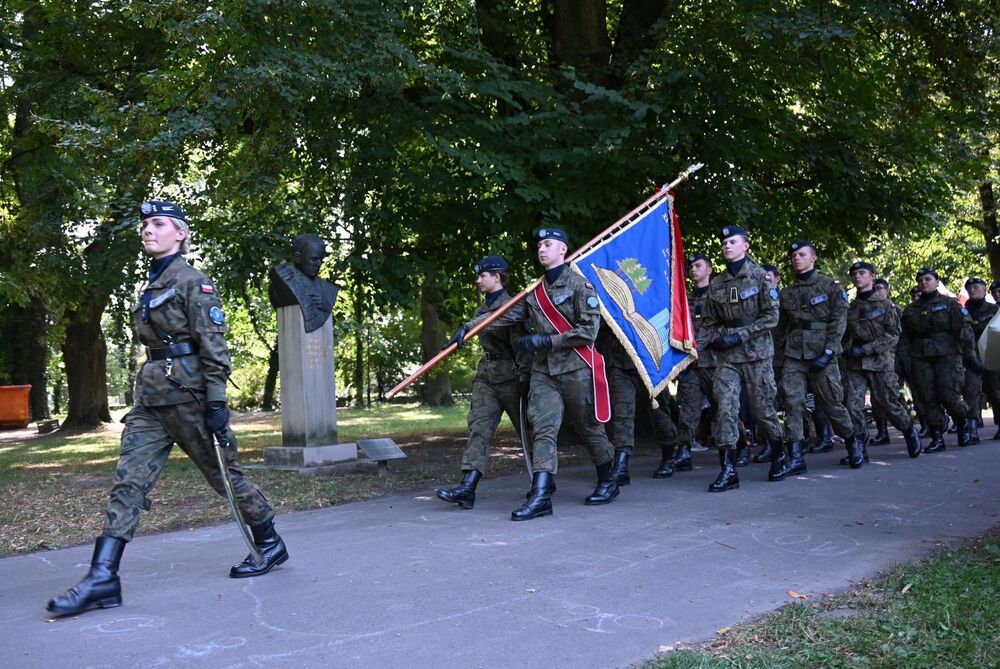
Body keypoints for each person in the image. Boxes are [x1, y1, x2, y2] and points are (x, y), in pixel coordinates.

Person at [47, 201, 287, 618]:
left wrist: (216, 402)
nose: (148, 230)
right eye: (145, 225)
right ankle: (103, 578)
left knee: (225, 477)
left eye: (158, 224)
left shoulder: (194, 282)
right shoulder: (151, 284)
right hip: (151, 400)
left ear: (179, 233)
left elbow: (213, 345)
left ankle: (268, 541)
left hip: (191, 396)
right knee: (128, 482)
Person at [450, 228, 619, 519]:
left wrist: (547, 340)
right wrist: (469, 326)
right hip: (544, 372)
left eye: (548, 244)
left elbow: (588, 331)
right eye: (539, 244)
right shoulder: (534, 293)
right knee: (543, 427)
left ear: (563, 250)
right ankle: (542, 494)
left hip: (575, 368)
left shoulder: (581, 286)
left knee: (589, 428)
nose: (542, 249)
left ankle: (609, 477)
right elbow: (504, 316)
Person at [436, 256, 531, 509]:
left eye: (482, 276)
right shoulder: (482, 309)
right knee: (479, 428)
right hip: (487, 375)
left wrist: (524, 378)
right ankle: (468, 487)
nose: (478, 280)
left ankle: (543, 481)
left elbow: (522, 347)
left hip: (511, 375)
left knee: (528, 432)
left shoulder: (512, 305)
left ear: (497, 276)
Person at [699, 226, 784, 492]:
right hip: (728, 359)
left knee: (762, 411)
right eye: (724, 242)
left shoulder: (761, 277)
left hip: (757, 355)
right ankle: (728, 469)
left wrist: (740, 336)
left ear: (746, 246)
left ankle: (780, 451)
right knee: (724, 409)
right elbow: (709, 324)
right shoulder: (717, 284)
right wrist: (694, 350)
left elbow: (771, 317)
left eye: (733, 242)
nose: (727, 246)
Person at [776, 241, 860, 471]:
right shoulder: (787, 293)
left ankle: (853, 443)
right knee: (792, 402)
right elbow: (781, 328)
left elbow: (839, 321)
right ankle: (795, 456)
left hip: (822, 351)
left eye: (801, 254)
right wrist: (778, 357)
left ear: (813, 258)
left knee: (832, 403)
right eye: (793, 255)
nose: (796, 258)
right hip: (794, 354)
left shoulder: (829, 287)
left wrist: (830, 351)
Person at [843, 262, 922, 460]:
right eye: (854, 274)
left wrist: (867, 349)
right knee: (852, 405)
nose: (857, 277)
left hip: (880, 361)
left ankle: (909, 431)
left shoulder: (885, 305)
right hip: (855, 365)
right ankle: (859, 446)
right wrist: (847, 349)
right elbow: (844, 335)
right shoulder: (850, 309)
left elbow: (893, 334)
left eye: (862, 273)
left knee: (888, 403)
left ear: (872, 276)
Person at [898, 268, 975, 452]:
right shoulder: (911, 309)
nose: (923, 282)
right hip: (920, 357)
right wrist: (904, 360)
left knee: (949, 395)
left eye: (927, 279)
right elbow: (904, 337)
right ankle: (937, 436)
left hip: (947, 355)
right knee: (927, 397)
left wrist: (969, 355)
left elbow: (964, 330)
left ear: (936, 281)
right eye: (920, 280)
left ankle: (962, 423)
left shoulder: (950, 304)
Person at [598, 324, 680, 483]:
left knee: (659, 415)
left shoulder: (653, 297)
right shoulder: (614, 297)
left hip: (650, 363)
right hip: (620, 362)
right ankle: (621, 466)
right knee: (623, 415)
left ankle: (669, 455)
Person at [673, 253, 716, 474]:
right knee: (688, 408)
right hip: (691, 364)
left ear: (709, 270)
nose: (693, 269)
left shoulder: (717, 296)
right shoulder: (684, 299)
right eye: (691, 266)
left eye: (698, 266)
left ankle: (740, 445)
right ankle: (683, 451)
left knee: (722, 406)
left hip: (713, 362)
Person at [960, 278, 996, 444]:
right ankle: (972, 429)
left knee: (996, 392)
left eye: (976, 287)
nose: (973, 290)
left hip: (992, 355)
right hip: (971, 358)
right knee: (971, 392)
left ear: (984, 290)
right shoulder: (962, 312)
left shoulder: (994, 310)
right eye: (970, 288)